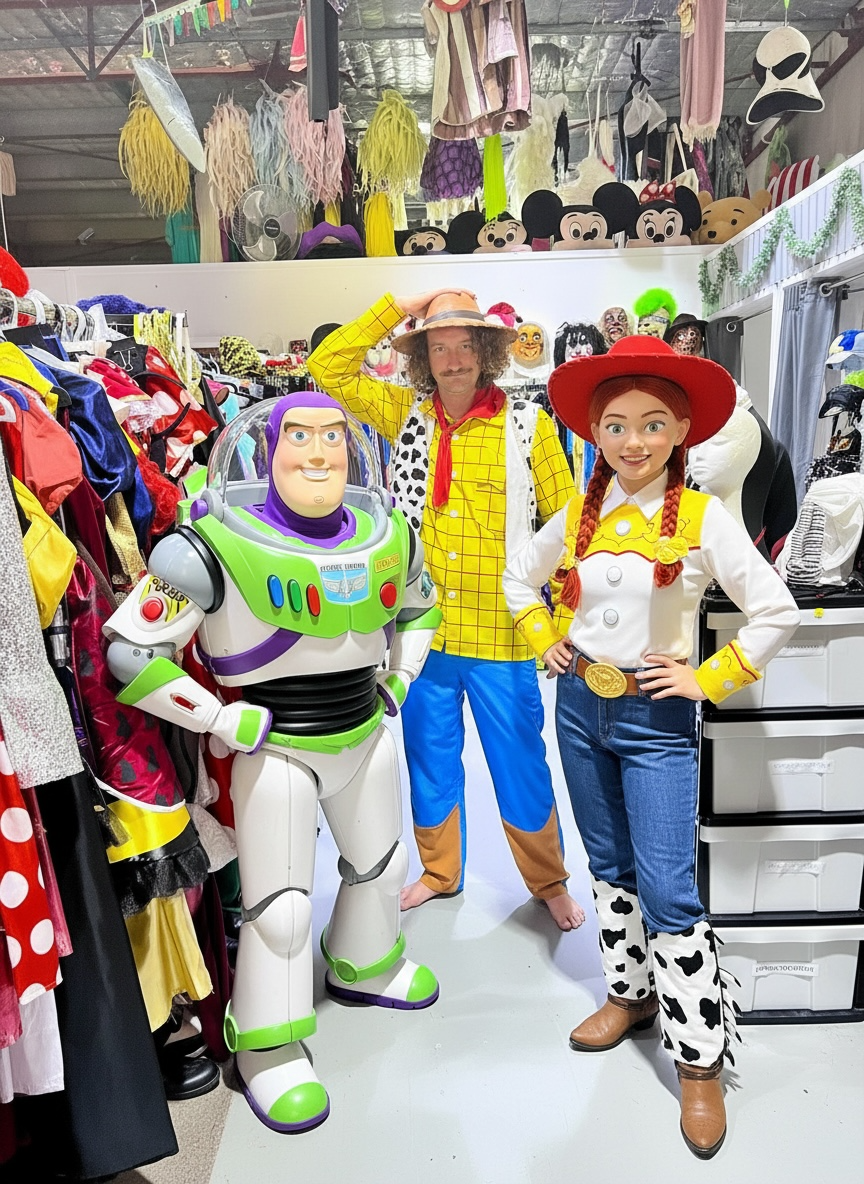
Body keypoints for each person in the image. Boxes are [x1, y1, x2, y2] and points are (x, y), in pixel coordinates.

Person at [103, 392, 441, 1134]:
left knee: (380, 867)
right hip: (274, 744)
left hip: (364, 728)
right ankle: (267, 1044)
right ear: (268, 449)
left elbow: (420, 610)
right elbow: (130, 654)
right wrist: (219, 715)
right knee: (281, 912)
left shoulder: (391, 533)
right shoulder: (209, 545)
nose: (318, 455)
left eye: (331, 439)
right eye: (298, 438)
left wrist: (401, 676)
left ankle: (366, 963)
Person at [502, 335, 800, 1158]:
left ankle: (700, 1059)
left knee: (669, 887)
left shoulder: (705, 517)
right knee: (610, 868)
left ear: (679, 433)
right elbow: (517, 578)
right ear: (595, 434)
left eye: (652, 424)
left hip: (656, 719)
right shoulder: (581, 514)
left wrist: (710, 677)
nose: (632, 442)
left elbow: (777, 612)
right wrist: (543, 635)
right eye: (617, 426)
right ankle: (630, 997)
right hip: (579, 710)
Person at [308, 290, 584, 931]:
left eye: (465, 345)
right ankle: (439, 871)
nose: (453, 359)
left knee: (519, 759)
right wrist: (395, 306)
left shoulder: (529, 425)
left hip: (505, 631)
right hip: (422, 629)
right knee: (430, 755)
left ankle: (549, 880)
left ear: (487, 351)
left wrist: (560, 625)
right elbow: (329, 367)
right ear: (423, 357)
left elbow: (572, 525)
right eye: (439, 346)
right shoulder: (405, 412)